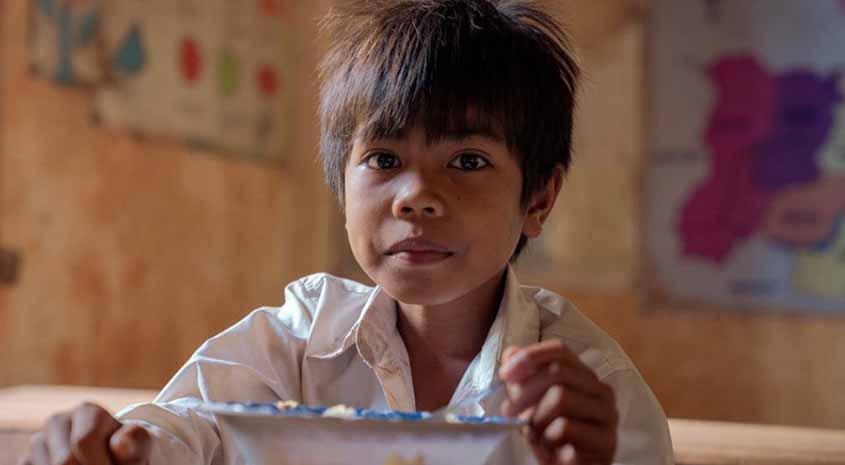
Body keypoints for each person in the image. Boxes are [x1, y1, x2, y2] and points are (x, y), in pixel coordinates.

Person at [20, 1, 673, 464]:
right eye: (384, 160)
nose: (416, 196)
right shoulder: (299, 339)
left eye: (467, 161)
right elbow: (184, 429)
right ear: (341, 184)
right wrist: (106, 446)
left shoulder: (591, 391)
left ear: (540, 196)